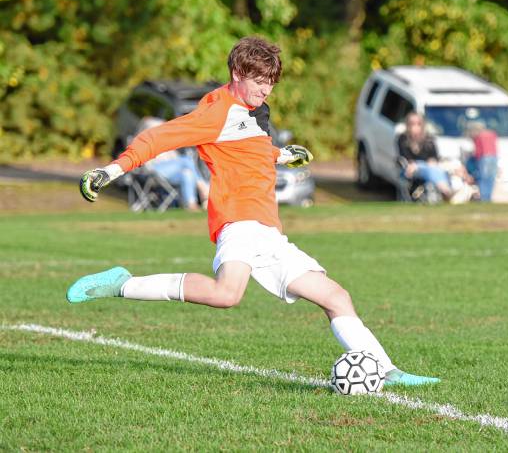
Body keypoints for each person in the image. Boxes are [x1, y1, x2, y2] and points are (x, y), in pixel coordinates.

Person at [68, 36, 439, 387]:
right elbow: (159, 137)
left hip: (269, 232)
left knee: (336, 297)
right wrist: (111, 170)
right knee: (227, 295)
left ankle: (385, 369)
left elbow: (249, 150)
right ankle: (124, 283)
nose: (265, 90)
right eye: (259, 81)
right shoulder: (216, 112)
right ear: (237, 75)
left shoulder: (251, 112)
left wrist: (282, 154)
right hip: (240, 222)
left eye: (271, 83)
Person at [137, 116, 210, 211]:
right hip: (153, 172)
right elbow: (146, 122)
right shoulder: (146, 143)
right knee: (186, 160)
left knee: (187, 173)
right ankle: (203, 189)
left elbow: (175, 160)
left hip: (166, 174)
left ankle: (191, 205)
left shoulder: (166, 144)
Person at [397, 112, 453, 201]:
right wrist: (418, 165)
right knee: (430, 169)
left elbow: (433, 158)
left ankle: (444, 191)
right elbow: (406, 159)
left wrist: (424, 164)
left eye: (418, 124)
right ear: (408, 125)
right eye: (412, 123)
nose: (415, 126)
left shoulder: (429, 140)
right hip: (410, 169)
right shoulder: (403, 139)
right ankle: (446, 191)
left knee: (433, 169)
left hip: (427, 168)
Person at [466, 120, 498, 202]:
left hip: (484, 158)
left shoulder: (479, 136)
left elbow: (478, 151)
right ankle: (488, 197)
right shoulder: (492, 134)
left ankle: (484, 198)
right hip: (494, 157)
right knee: (491, 178)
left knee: (483, 178)